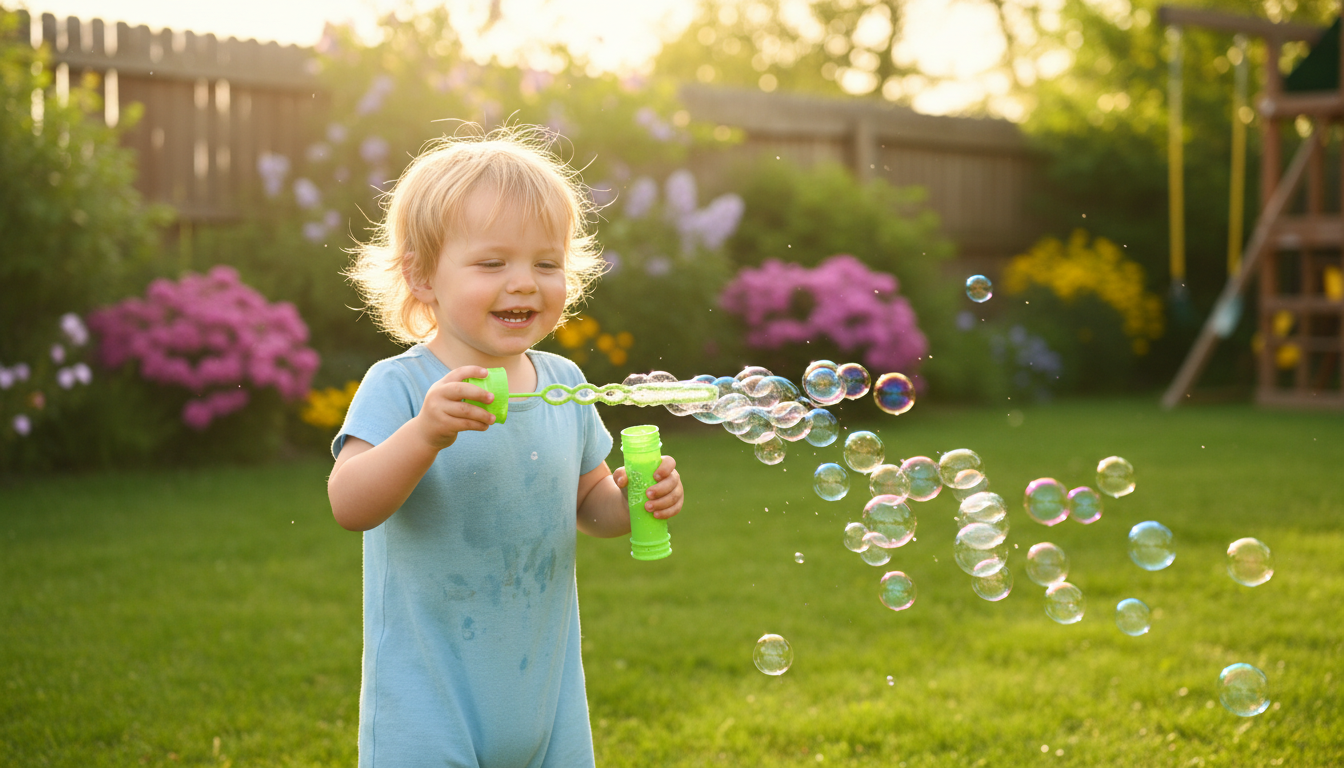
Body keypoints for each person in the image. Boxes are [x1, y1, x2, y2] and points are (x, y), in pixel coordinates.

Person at [327, 127, 685, 767]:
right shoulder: (402, 386)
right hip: (427, 703)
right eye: (493, 263)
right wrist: (425, 433)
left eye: (546, 264)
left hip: (544, 697)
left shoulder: (564, 384)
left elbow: (590, 505)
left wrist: (634, 498)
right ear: (422, 276)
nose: (524, 283)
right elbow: (351, 504)